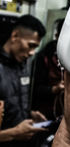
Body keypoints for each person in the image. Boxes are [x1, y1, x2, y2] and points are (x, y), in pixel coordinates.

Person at [0, 14, 48, 146]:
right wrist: (14, 133)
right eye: (30, 45)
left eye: (35, 48)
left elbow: (13, 99)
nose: (32, 52)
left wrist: (28, 113)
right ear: (15, 36)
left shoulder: (22, 65)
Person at [32, 19, 65, 120]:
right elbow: (34, 90)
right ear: (57, 36)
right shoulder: (44, 57)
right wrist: (54, 89)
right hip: (46, 112)